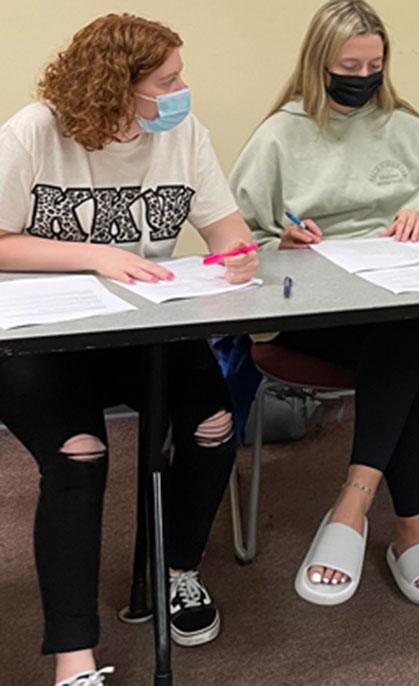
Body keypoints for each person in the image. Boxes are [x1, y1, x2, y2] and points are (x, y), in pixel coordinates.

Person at [0, 14, 259, 686]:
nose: (181, 91)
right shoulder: (37, 131)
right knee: (79, 453)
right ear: (116, 86)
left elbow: (228, 231)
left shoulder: (184, 136)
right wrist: (93, 256)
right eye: (166, 81)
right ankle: (73, 655)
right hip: (44, 335)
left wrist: (238, 256)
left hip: (145, 326)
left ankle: (175, 572)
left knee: (213, 426)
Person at [229, 0, 419, 608]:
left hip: (395, 296)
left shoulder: (407, 127)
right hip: (312, 315)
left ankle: (353, 505)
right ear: (317, 64)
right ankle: (410, 526)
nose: (362, 77)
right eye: (348, 65)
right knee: (408, 342)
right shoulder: (279, 134)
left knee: (404, 326)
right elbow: (235, 240)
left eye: (374, 64)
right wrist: (278, 242)